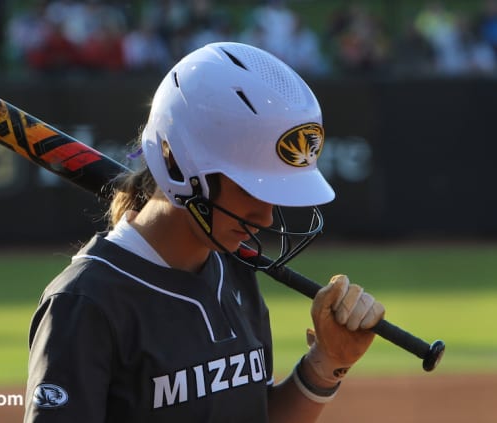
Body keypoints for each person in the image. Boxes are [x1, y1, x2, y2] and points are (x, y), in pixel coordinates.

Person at [23, 41, 385, 423]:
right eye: (251, 189)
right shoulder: (85, 302)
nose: (264, 217)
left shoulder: (236, 271)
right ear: (177, 165)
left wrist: (325, 365)